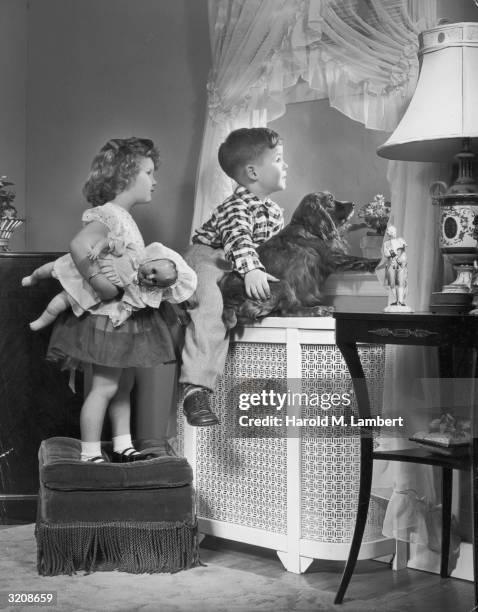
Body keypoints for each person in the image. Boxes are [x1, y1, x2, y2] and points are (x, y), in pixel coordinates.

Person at [40, 137, 180, 463]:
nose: (155, 181)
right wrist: (100, 284)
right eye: (148, 172)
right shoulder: (109, 215)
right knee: (104, 386)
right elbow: (79, 246)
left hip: (125, 318)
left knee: (124, 384)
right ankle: (90, 452)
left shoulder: (124, 217)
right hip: (109, 318)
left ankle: (122, 444)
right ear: (126, 176)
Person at [180, 127, 287, 426]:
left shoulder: (275, 211)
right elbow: (238, 238)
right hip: (208, 256)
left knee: (269, 293)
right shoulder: (235, 205)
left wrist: (264, 273)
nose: (285, 165)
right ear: (253, 172)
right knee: (210, 304)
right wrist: (251, 268)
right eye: (278, 159)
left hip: (238, 264)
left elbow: (274, 251)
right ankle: (196, 390)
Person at [22, 238, 197, 330]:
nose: (150, 277)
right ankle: (33, 277)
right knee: (50, 268)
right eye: (153, 271)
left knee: (60, 303)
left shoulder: (137, 289)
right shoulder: (133, 251)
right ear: (153, 258)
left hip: (92, 286)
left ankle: (44, 319)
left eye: (155, 282)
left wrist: (122, 315)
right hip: (91, 263)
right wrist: (98, 248)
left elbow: (130, 305)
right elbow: (110, 242)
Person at [382, 224, 408, 307]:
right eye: (388, 231)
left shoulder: (400, 240)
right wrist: (395, 253)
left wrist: (398, 255)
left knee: (401, 282)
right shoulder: (386, 243)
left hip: (400, 264)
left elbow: (403, 250)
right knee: (392, 283)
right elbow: (386, 253)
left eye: (389, 231)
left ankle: (401, 301)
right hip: (391, 264)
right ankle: (397, 300)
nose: (388, 233)